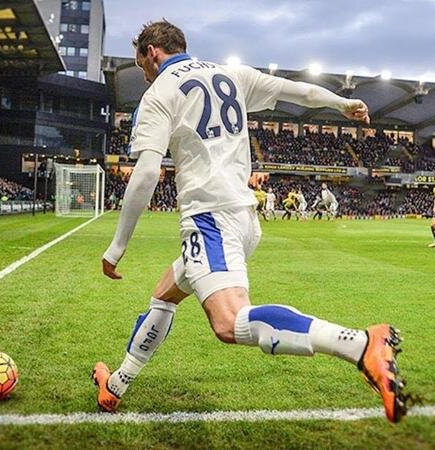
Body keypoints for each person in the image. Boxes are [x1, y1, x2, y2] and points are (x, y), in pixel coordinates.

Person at [94, 20, 411, 424]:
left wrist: (117, 246)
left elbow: (145, 173)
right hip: (244, 219)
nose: (144, 75)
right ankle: (116, 384)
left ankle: (361, 344)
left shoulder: (159, 93)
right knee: (165, 294)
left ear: (152, 52)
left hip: (209, 219)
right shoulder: (232, 74)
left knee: (229, 323)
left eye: (142, 66)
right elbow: (298, 92)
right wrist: (341, 103)